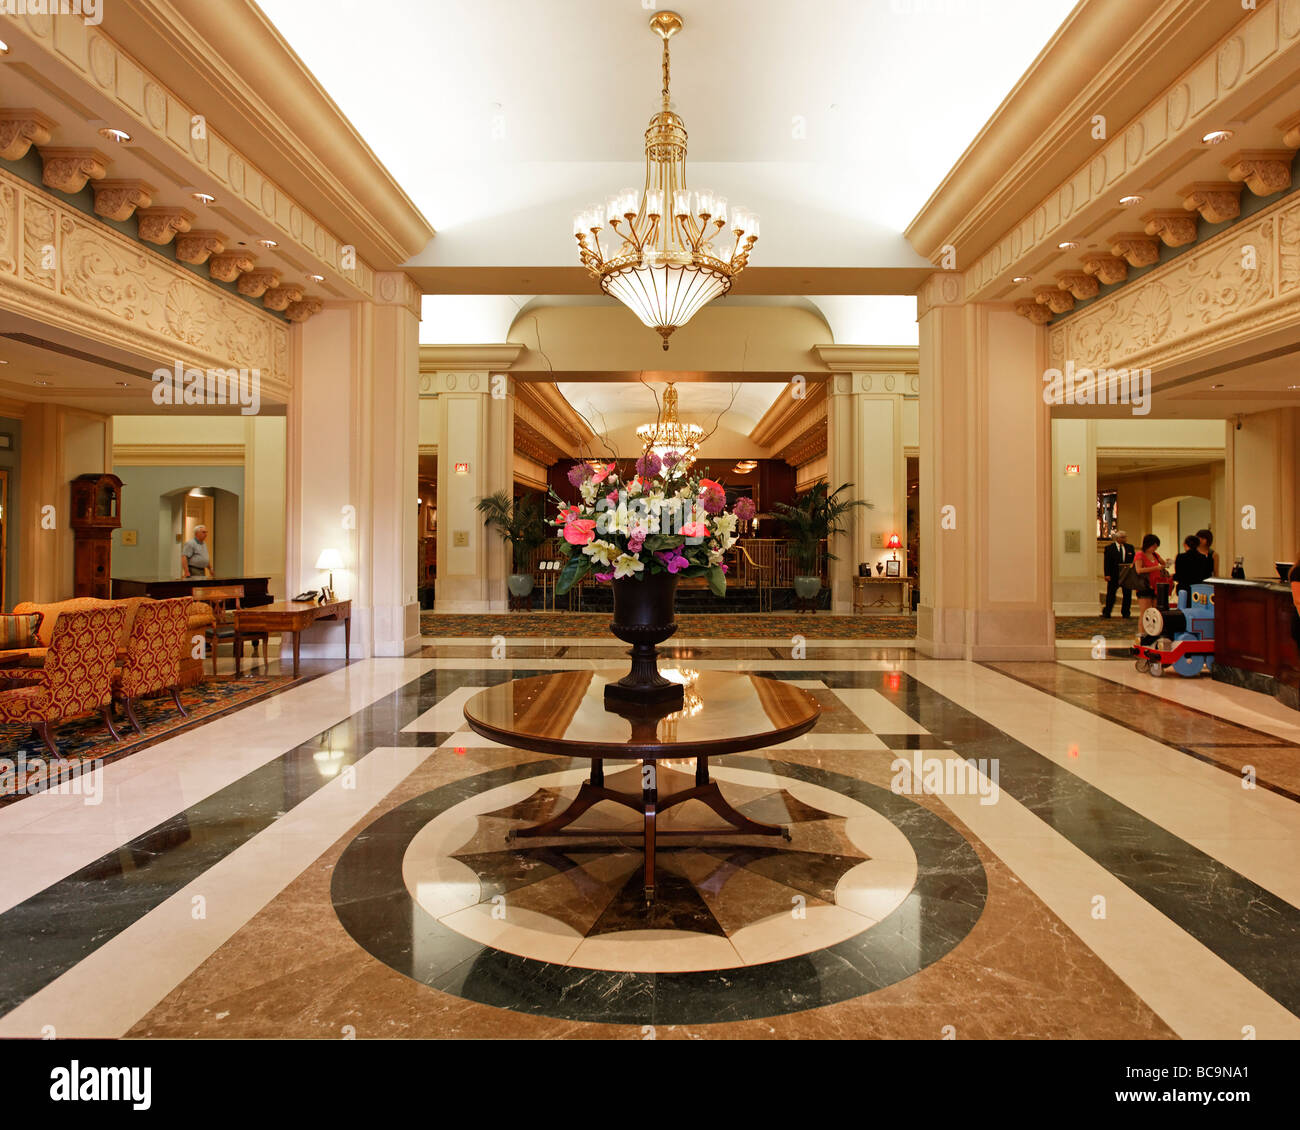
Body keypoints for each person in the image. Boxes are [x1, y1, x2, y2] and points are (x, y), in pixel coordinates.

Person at [1102, 530, 1135, 618]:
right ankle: (1107, 612)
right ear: (1117, 538)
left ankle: (1126, 612)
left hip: (1126, 575)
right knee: (1111, 594)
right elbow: (1107, 562)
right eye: (1123, 537)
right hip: (1114, 575)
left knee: (1127, 595)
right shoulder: (1110, 548)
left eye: (1125, 537)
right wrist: (1107, 574)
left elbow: (1133, 561)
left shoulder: (1130, 548)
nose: (1125, 539)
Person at [1134, 534, 1167, 618]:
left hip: (1155, 585)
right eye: (1153, 546)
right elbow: (1139, 570)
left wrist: (1166, 563)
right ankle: (1142, 631)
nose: (1155, 548)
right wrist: (1155, 568)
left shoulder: (1155, 555)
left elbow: (1163, 564)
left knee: (1157, 612)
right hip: (1144, 585)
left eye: (1156, 546)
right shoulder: (1140, 555)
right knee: (1145, 612)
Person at [1173, 533, 1212, 599]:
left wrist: (1173, 576)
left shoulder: (1180, 557)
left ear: (1185, 544)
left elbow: (1178, 575)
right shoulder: (1203, 558)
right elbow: (1207, 575)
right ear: (1198, 545)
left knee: (1184, 608)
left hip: (1184, 589)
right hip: (1198, 589)